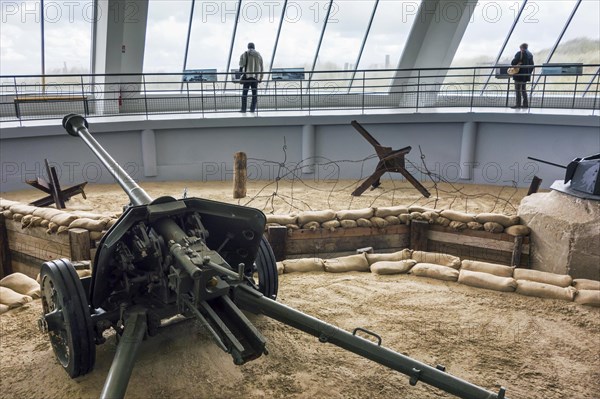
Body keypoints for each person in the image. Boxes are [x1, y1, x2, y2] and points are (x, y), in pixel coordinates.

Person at [239, 42, 264, 113]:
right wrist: (261, 77)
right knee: (254, 94)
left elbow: (241, 64)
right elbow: (262, 67)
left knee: (244, 94)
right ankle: (252, 109)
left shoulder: (245, 54)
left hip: (247, 76)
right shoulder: (259, 55)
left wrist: (241, 71)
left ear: (248, 47)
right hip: (255, 77)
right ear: (254, 47)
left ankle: (243, 109)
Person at [510, 43, 534, 109]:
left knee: (517, 90)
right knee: (523, 90)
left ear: (521, 48)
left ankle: (518, 104)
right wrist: (528, 73)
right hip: (525, 76)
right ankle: (525, 104)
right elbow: (532, 66)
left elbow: (513, 63)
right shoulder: (530, 54)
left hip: (519, 75)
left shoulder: (519, 53)